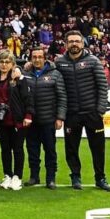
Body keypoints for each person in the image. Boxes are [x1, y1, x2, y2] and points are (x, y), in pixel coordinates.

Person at [55, 30, 110, 191]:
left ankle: (100, 178)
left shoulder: (93, 61)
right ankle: (75, 176)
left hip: (92, 114)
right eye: (71, 41)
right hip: (72, 114)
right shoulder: (60, 62)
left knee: (98, 148)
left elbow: (102, 86)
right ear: (66, 44)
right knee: (71, 148)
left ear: (82, 43)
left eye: (77, 41)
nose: (74, 44)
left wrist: (100, 110)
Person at [24, 46, 67, 189]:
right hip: (31, 121)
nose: (37, 59)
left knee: (50, 150)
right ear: (30, 58)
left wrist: (60, 117)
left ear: (45, 58)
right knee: (32, 151)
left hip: (48, 120)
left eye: (39, 57)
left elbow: (62, 96)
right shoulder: (25, 73)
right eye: (34, 57)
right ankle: (34, 177)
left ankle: (50, 178)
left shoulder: (55, 74)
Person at [0, 51, 34, 191]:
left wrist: (28, 115)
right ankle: (7, 175)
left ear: (13, 64)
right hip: (1, 120)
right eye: (1, 62)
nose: (4, 65)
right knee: (5, 149)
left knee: (17, 149)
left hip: (17, 119)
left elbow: (27, 98)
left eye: (7, 62)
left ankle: (17, 177)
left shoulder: (19, 79)